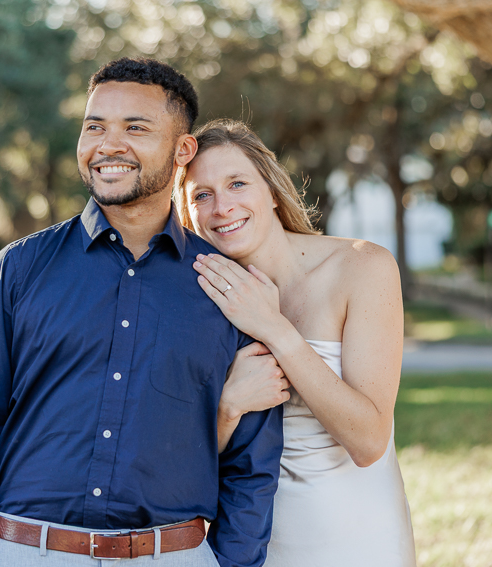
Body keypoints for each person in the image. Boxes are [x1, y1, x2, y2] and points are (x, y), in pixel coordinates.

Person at [0, 60, 284, 567]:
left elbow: (252, 467)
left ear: (183, 150)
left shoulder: (227, 289)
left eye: (135, 128)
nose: (108, 144)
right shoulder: (19, 269)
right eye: (94, 126)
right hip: (25, 553)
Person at [176, 119, 417, 566]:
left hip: (356, 537)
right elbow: (180, 471)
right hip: (251, 543)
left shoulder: (363, 268)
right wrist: (227, 408)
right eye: (201, 195)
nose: (222, 206)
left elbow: (368, 441)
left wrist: (275, 329)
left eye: (237, 183)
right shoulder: (194, 303)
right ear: (188, 217)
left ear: (270, 191)